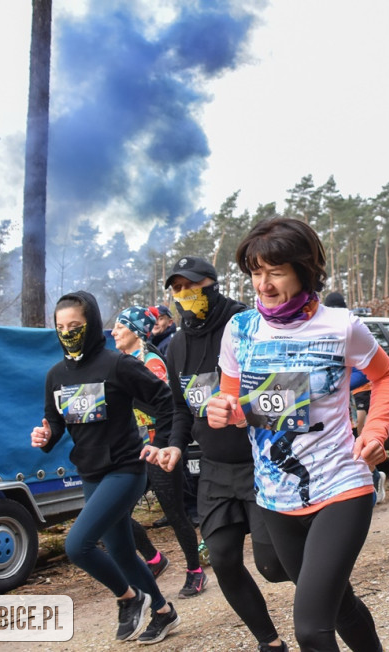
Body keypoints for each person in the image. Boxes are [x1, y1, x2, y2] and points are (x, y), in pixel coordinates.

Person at [206, 218, 389, 651]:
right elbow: (232, 399)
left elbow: (386, 377)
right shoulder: (240, 330)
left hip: (342, 484)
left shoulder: (341, 326)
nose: (263, 284)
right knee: (339, 603)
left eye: (275, 272)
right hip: (276, 494)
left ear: (304, 271)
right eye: (256, 272)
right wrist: (222, 409)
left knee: (311, 629)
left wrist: (375, 430)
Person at [155, 255, 291, 651]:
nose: (184, 295)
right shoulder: (177, 345)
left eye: (192, 286)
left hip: (259, 462)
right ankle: (270, 642)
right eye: (177, 289)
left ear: (213, 285)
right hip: (215, 470)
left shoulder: (247, 326)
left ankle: (330, 599)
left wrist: (244, 409)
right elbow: (181, 408)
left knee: (274, 565)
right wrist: (175, 446)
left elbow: (280, 388)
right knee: (224, 557)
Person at [31, 291, 180, 643]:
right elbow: (55, 426)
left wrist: (158, 442)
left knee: (77, 545)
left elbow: (165, 401)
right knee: (122, 552)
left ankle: (129, 597)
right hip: (90, 473)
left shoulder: (116, 364)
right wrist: (44, 435)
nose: (67, 332)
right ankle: (162, 611)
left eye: (75, 326)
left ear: (92, 324)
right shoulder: (55, 375)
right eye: (60, 327)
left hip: (126, 469)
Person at [111, 305, 208, 599]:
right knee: (116, 513)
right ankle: (154, 559)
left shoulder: (152, 363)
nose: (113, 332)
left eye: (119, 326)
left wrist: (122, 394)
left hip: (161, 447)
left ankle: (196, 571)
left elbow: (164, 406)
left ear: (136, 332)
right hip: (136, 451)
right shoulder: (123, 362)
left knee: (175, 513)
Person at [323, 291, 386, 504]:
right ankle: (373, 478)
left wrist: (338, 385)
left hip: (347, 402)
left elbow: (365, 371)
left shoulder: (352, 329)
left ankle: (372, 484)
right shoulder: (322, 333)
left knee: (353, 446)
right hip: (329, 407)